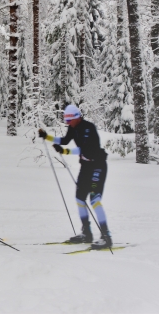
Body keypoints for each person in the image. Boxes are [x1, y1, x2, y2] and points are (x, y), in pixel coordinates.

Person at [39, 104, 112, 249]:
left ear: (76, 118)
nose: (67, 124)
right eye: (66, 121)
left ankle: (106, 236)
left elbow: (85, 149)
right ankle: (87, 233)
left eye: (69, 120)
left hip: (97, 165)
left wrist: (64, 152)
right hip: (86, 166)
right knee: (79, 198)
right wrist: (47, 137)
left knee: (95, 199)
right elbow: (65, 140)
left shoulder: (88, 128)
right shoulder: (73, 128)